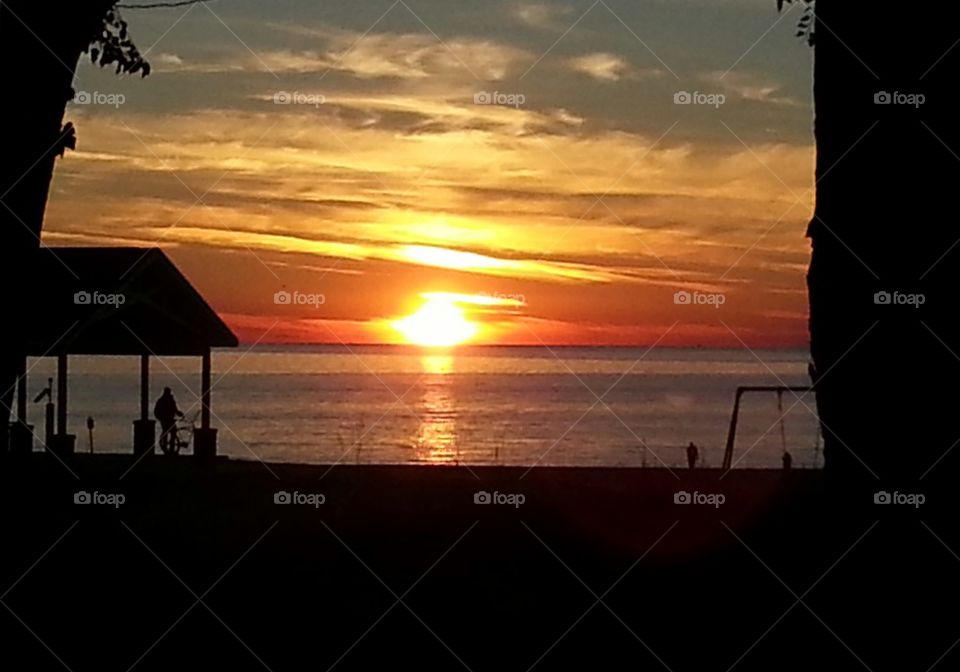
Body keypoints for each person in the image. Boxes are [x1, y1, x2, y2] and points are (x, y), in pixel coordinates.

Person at [154, 387, 184, 454]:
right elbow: (175, 409)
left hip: (166, 420)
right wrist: (180, 414)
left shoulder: (162, 400)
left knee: (169, 433)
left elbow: (156, 411)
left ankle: (168, 449)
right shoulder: (169, 400)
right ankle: (170, 449)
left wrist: (160, 418)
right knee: (171, 433)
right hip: (168, 420)